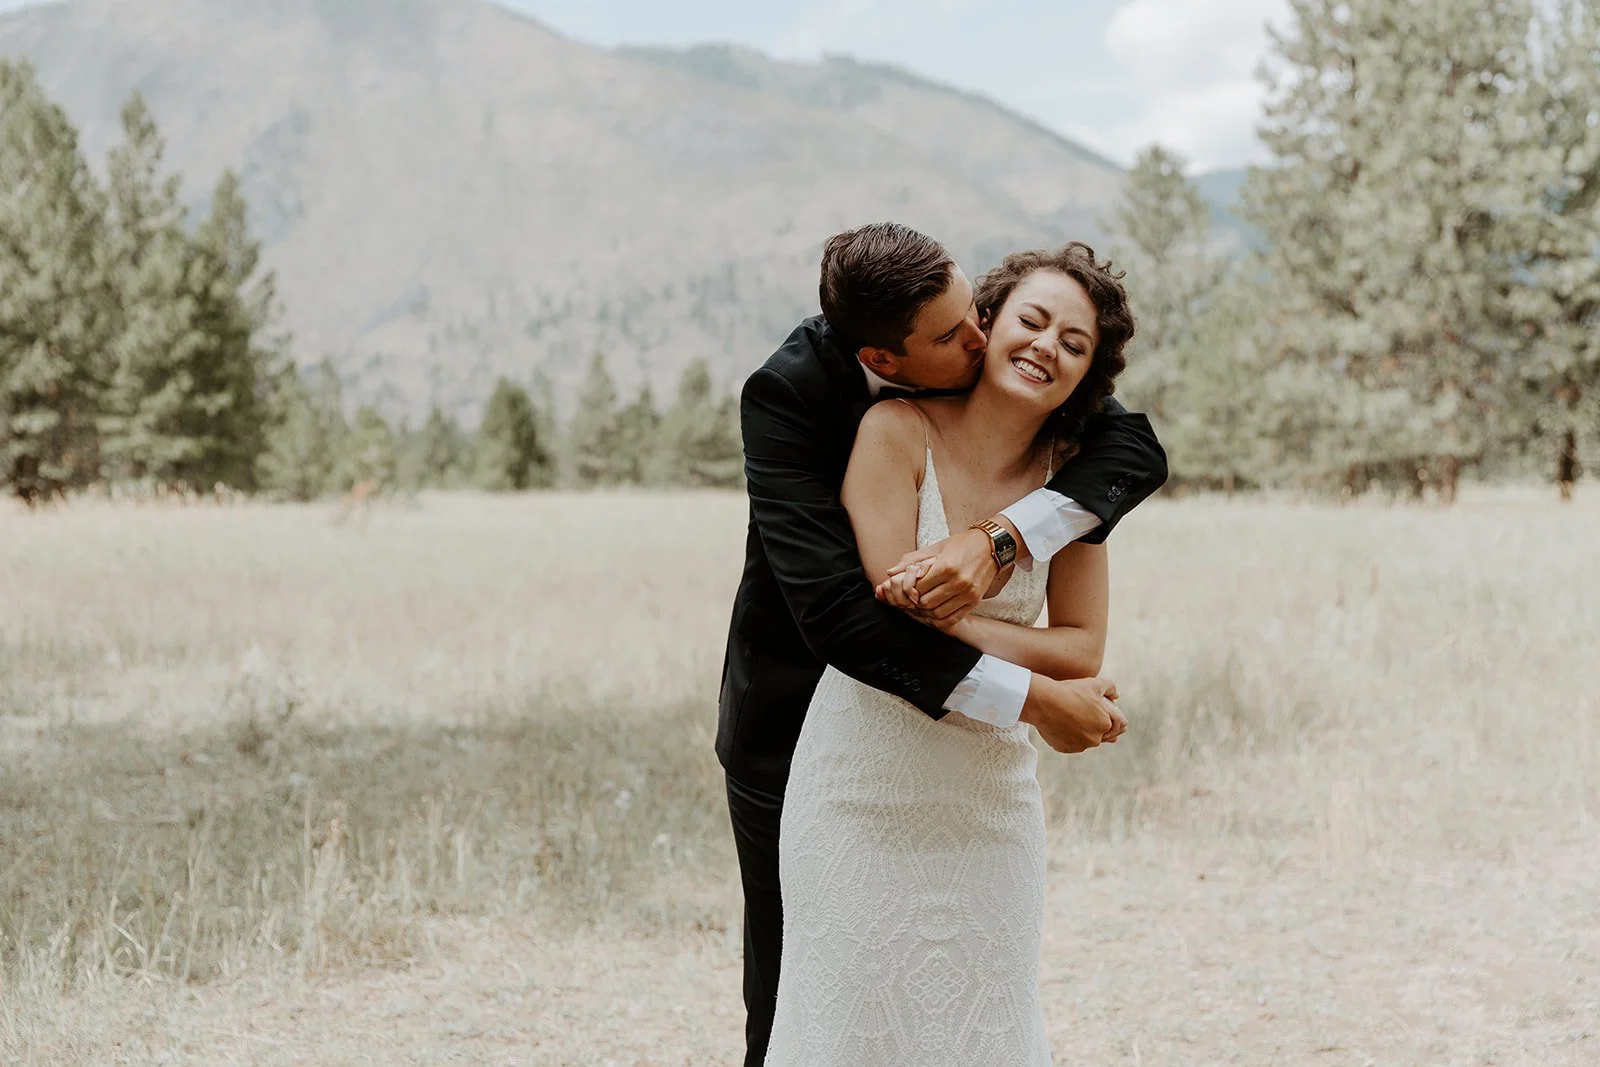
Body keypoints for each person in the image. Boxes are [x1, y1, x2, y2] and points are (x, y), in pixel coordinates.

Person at [718, 222, 1166, 1065]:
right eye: (973, 329)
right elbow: (849, 619)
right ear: (888, 360)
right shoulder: (806, 400)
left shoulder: (1062, 434)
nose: (984, 337)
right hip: (817, 738)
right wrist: (1037, 698)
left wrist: (996, 543)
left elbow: (1136, 455)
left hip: (985, 790)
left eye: (976, 312)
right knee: (804, 1010)